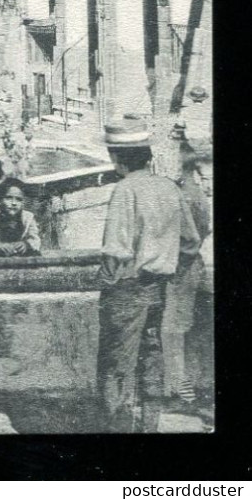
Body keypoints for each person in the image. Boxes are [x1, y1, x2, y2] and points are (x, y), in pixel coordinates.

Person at [96, 119, 200, 433]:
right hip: (159, 289)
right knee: (151, 359)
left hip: (126, 286)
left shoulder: (125, 189)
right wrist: (164, 259)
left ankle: (120, 430)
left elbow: (115, 249)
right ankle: (149, 427)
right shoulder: (168, 187)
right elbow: (191, 241)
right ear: (147, 154)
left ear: (116, 157)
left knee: (118, 363)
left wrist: (108, 283)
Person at [162, 140, 212, 407]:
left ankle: (180, 390)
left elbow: (193, 237)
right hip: (191, 266)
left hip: (183, 268)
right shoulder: (195, 192)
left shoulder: (186, 195)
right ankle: (183, 387)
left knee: (173, 330)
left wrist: (173, 262)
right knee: (179, 328)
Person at [0, 177, 42, 257]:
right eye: (8, 198)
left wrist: (26, 244)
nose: (14, 203)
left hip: (20, 258)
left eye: (19, 199)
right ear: (0, 199)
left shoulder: (27, 218)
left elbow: (35, 239)